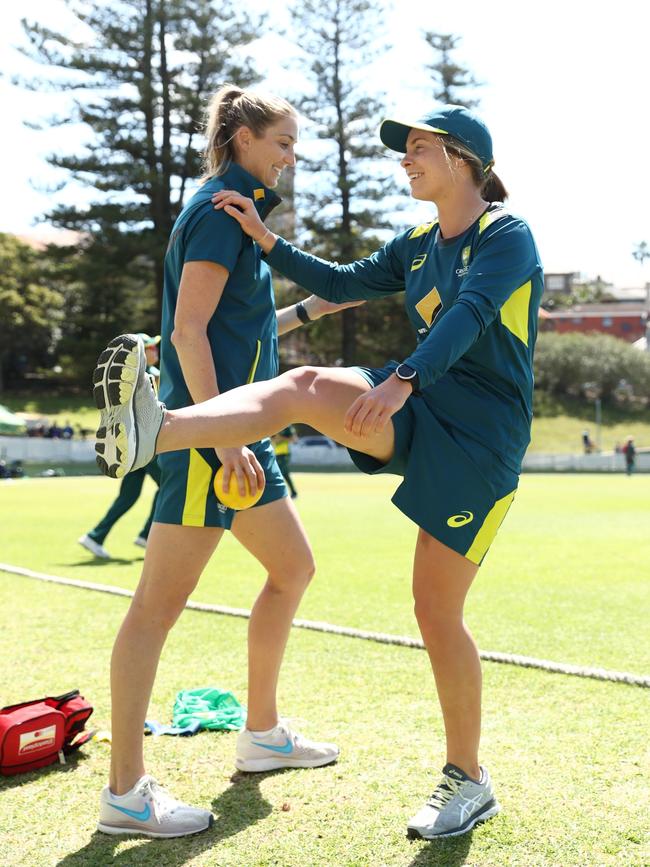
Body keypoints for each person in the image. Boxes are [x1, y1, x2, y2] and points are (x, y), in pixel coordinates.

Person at [93, 103, 543, 840]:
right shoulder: (419, 241)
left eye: (420, 148)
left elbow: (470, 314)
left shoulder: (506, 236)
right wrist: (267, 240)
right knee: (303, 391)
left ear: (464, 159)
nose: (406, 159)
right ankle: (159, 429)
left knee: (435, 612)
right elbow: (341, 278)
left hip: (479, 442)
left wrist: (401, 378)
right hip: (421, 409)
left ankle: (469, 777)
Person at [91, 86, 357, 839]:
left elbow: (238, 323)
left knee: (293, 568)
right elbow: (186, 332)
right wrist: (221, 439)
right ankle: (125, 792)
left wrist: (311, 310)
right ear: (240, 137)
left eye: (294, 146)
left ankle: (262, 734)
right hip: (219, 441)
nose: (290, 157)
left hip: (239, 434)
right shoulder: (220, 209)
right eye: (281, 142)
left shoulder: (236, 211)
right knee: (154, 611)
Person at [79, 334, 163, 559]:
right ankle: (146, 535)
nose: (156, 351)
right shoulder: (154, 375)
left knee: (127, 497)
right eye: (152, 348)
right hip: (150, 446)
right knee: (168, 485)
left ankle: (95, 536)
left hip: (131, 443)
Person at [272, 425, 299, 497]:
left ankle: (279, 494)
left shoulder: (288, 427)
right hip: (277, 454)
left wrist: (280, 438)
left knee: (278, 473)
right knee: (285, 474)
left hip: (284, 454)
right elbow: (273, 440)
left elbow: (294, 439)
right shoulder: (274, 426)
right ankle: (293, 492)